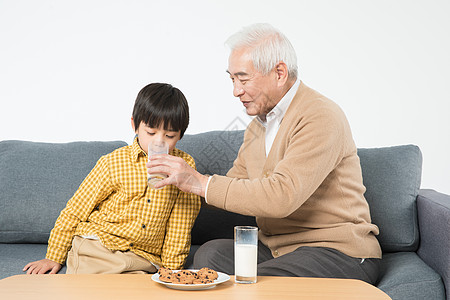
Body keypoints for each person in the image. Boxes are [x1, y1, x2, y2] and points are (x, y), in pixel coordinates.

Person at [147, 23, 382, 284]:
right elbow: (237, 187)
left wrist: (199, 182)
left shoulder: (320, 116)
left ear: (279, 73)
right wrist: (170, 193)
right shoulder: (258, 127)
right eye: (232, 79)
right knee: (210, 255)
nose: (236, 91)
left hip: (337, 252)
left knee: (254, 281)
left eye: (243, 79)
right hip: (277, 250)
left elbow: (282, 195)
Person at [23, 83, 201, 274]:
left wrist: (171, 269)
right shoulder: (113, 162)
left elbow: (181, 223)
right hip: (99, 244)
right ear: (134, 125)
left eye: (169, 135)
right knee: (89, 279)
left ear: (180, 135)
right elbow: (76, 209)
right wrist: (53, 256)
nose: (159, 142)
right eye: (150, 132)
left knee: (140, 287)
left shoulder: (184, 167)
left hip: (142, 257)